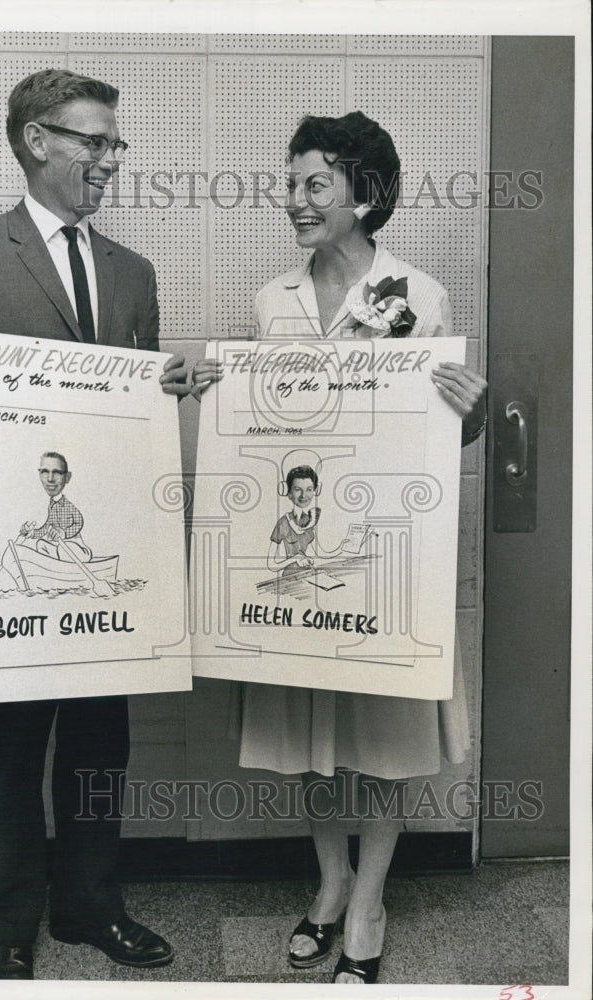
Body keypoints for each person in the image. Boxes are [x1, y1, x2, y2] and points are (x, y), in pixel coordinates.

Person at [0, 68, 190, 979]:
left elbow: (133, 421)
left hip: (98, 554)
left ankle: (92, 907)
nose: (110, 160)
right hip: (4, 557)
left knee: (101, 738)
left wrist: (163, 389)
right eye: (94, 141)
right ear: (36, 141)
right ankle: (10, 926)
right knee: (12, 745)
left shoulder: (133, 273)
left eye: (115, 144)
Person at [191, 111, 487, 984]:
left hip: (383, 556)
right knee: (310, 730)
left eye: (314, 183)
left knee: (384, 730)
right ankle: (329, 883)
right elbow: (265, 433)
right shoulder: (270, 302)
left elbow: (435, 439)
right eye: (290, 184)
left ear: (364, 193)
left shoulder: (419, 297)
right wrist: (217, 392)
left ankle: (370, 900)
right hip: (302, 561)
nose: (295, 200)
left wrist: (466, 417)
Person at [19, 451, 92, 561]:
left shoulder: (68, 506)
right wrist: (30, 532)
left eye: (57, 473)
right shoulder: (52, 506)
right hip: (59, 549)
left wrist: (64, 533)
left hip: (76, 548)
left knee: (64, 549)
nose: (50, 479)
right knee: (41, 545)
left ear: (67, 477)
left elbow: (79, 522)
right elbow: (46, 528)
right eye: (44, 472)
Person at [268, 465, 321, 577]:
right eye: (297, 489)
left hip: (309, 574)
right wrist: (295, 559)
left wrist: (342, 547)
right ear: (288, 492)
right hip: (290, 578)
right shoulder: (282, 523)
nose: (303, 495)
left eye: (309, 489)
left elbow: (318, 553)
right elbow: (271, 565)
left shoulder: (308, 519)